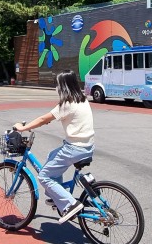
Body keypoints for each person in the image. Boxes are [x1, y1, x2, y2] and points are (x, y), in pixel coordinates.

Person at [14, 70, 94, 224]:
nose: (56, 88)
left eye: (57, 85)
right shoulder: (82, 99)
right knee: (52, 155)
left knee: (43, 176)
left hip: (74, 149)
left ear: (63, 87)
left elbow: (43, 118)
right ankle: (55, 195)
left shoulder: (67, 104)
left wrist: (22, 128)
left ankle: (70, 204)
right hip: (87, 147)